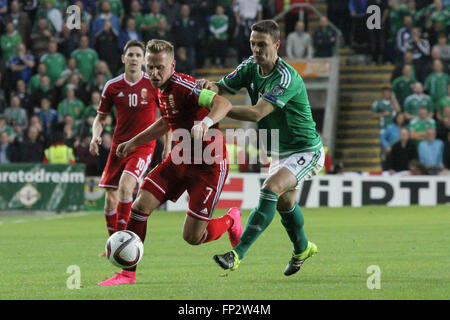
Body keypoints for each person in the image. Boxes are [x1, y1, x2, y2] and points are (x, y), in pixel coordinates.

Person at [98, 39, 240, 286]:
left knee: (193, 237)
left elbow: (223, 103)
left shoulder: (185, 86)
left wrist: (205, 123)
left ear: (172, 65)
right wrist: (133, 142)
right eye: (150, 67)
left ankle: (230, 220)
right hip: (180, 158)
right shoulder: (160, 89)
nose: (153, 73)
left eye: (159, 67)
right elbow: (166, 122)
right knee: (140, 205)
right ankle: (127, 274)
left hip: (209, 163)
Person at [197, 20, 323, 275]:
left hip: (305, 149)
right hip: (278, 151)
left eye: (262, 44)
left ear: (276, 45)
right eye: (253, 43)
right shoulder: (249, 67)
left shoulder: (286, 77)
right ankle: (302, 248)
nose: (256, 49)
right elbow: (222, 86)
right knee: (284, 204)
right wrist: (208, 87)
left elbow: (257, 113)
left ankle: (237, 253)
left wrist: (219, 111)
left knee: (271, 188)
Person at [89, 40, 162, 244]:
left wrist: (168, 146)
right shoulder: (112, 86)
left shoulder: (153, 84)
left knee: (125, 186)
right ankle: (114, 244)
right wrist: (95, 135)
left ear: (145, 61)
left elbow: (166, 118)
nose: (134, 59)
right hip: (119, 147)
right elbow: (100, 118)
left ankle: (124, 242)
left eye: (139, 55)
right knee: (110, 197)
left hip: (143, 146)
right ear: (124, 58)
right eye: (131, 55)